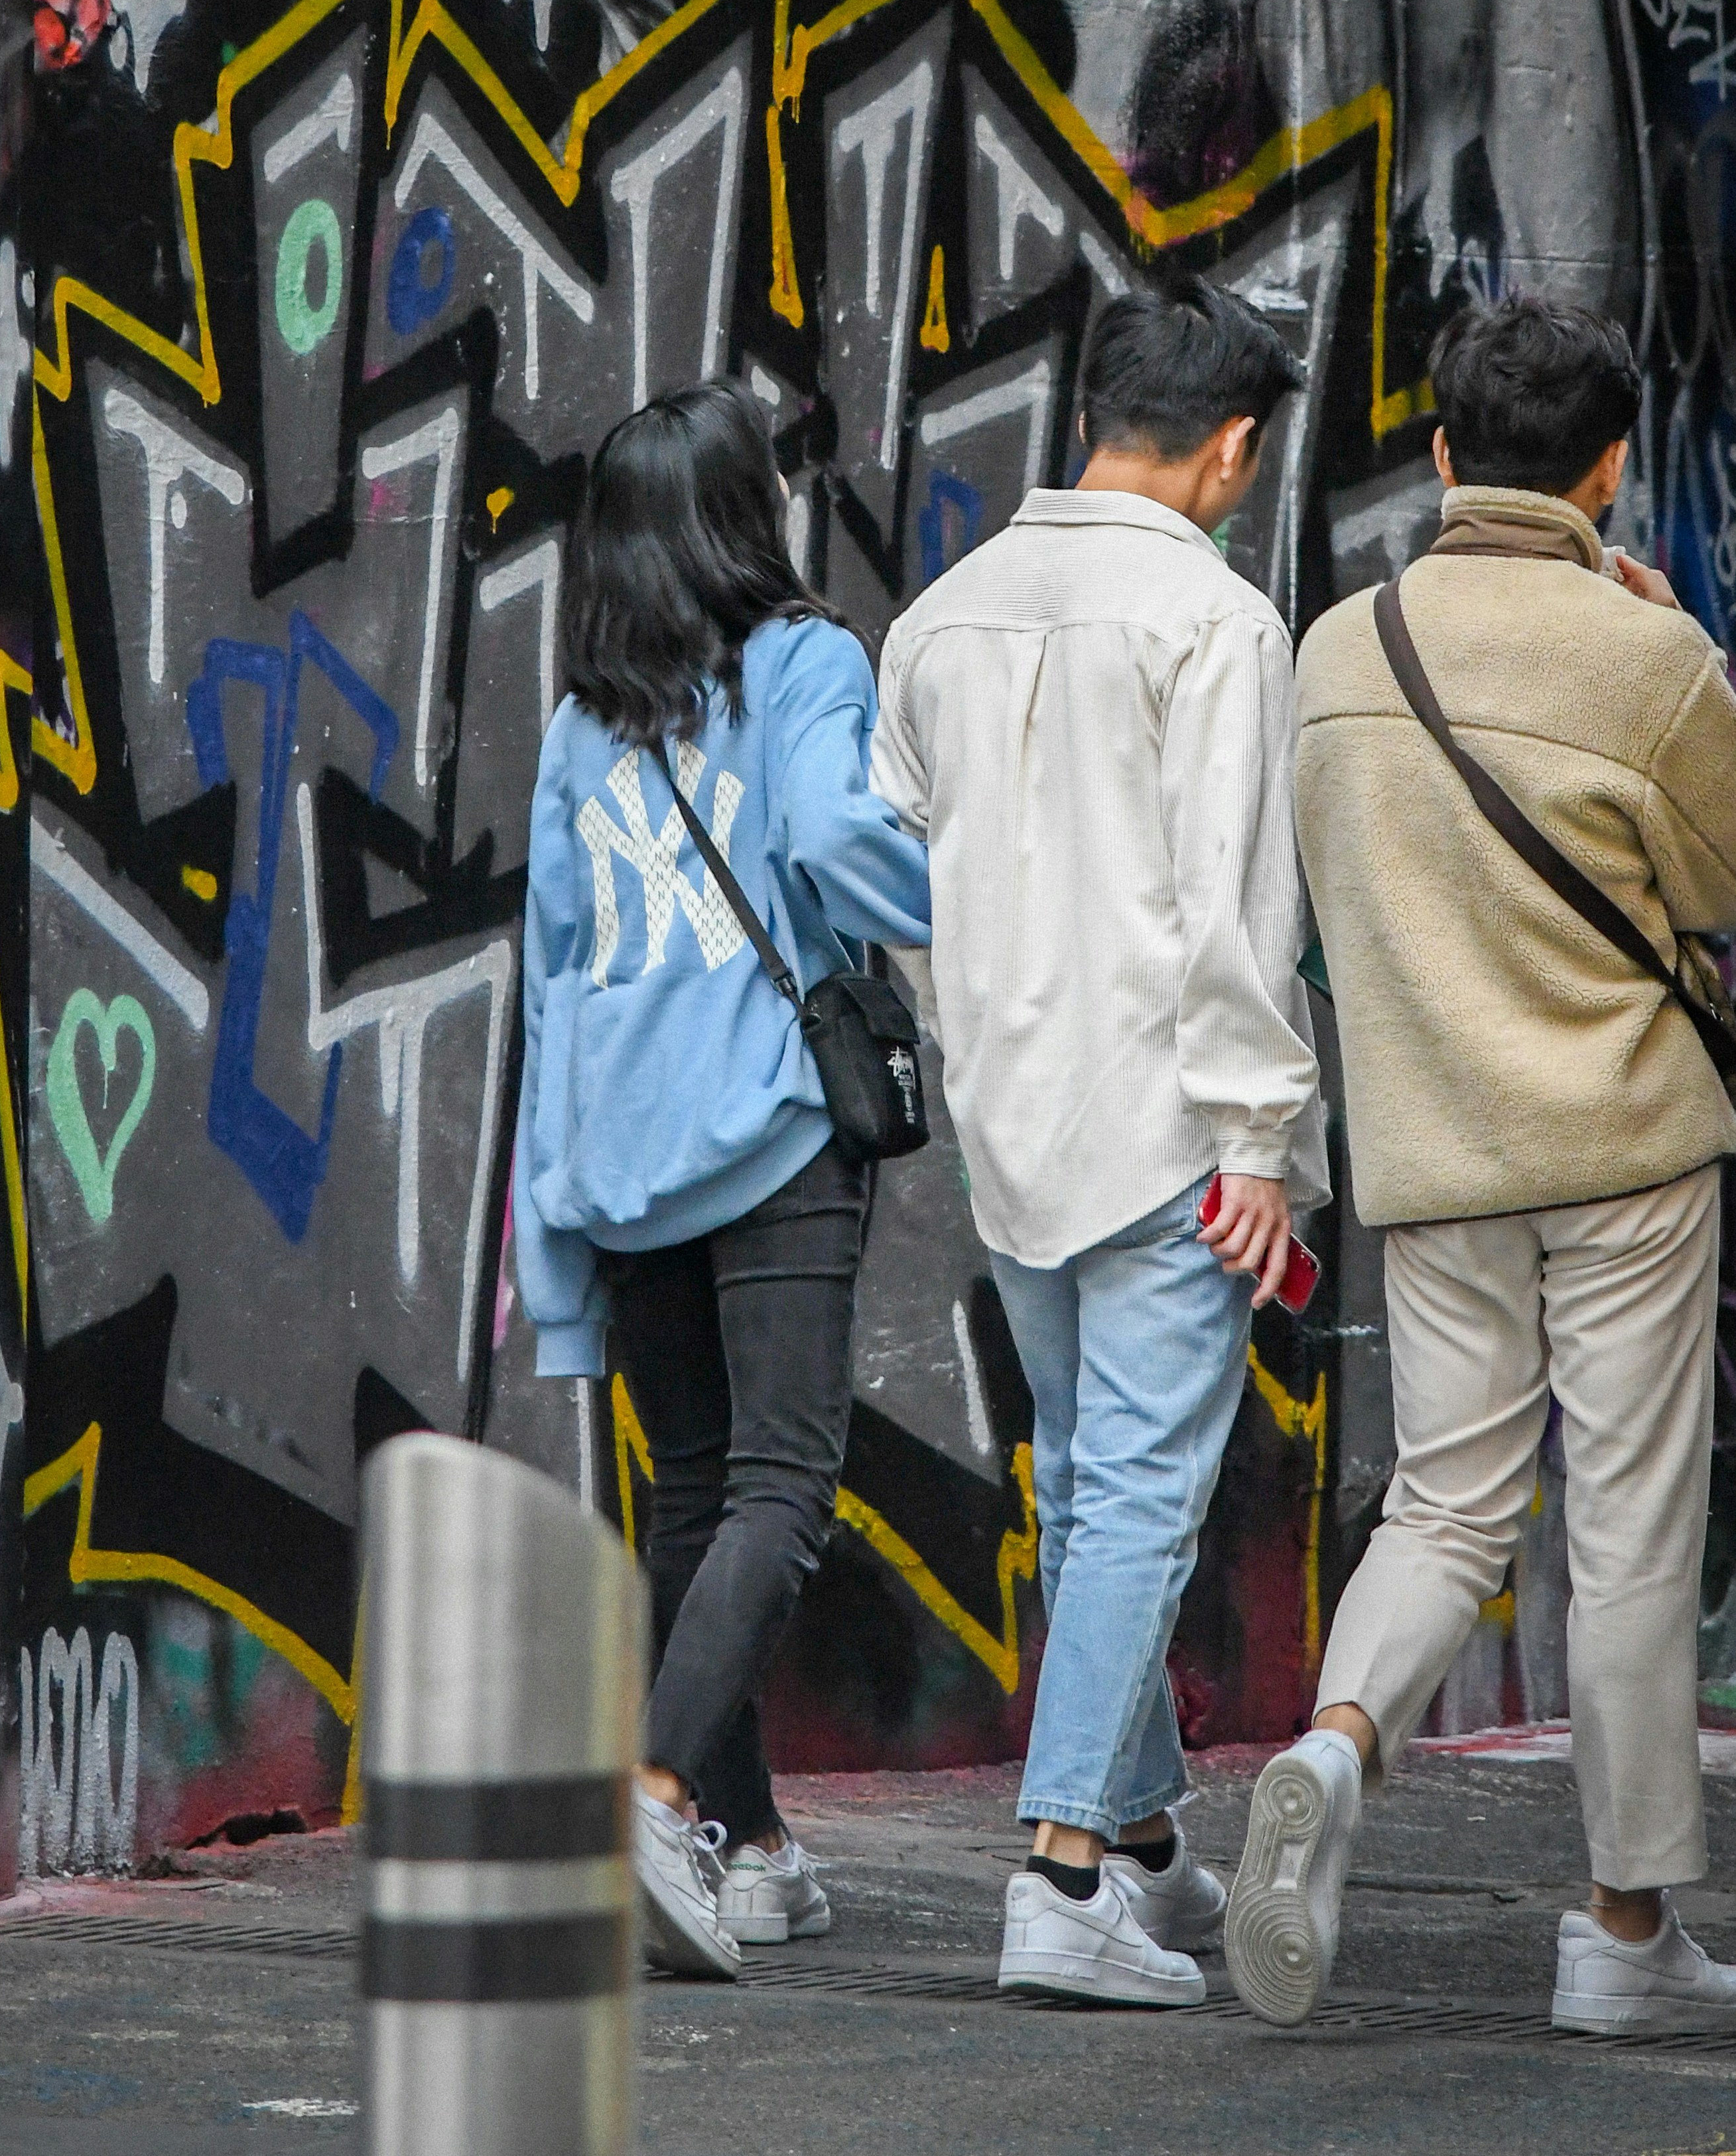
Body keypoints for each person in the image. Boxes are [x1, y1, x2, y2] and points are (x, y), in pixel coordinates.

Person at [1226, 297, 1736, 2035]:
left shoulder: (1335, 651)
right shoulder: (1646, 662)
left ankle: (1335, 1738)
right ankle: (1616, 1929)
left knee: (1448, 1499)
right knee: (1628, 1521)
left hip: (1436, 1148)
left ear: (1443, 454)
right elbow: (1722, 882)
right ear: (1608, 468)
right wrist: (1685, 654)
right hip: (1624, 1145)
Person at [870, 276, 1328, 2006]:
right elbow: (1235, 909)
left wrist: (969, 1027)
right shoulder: (1218, 621)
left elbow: (904, 882)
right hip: (1170, 1125)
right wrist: (1260, 1135)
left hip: (1016, 1118)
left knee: (1083, 1474)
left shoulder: (941, 614)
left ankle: (1138, 1839)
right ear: (1231, 447)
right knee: (1133, 1482)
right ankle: (1059, 1867)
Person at [512, 379, 932, 1980]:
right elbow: (834, 834)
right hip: (765, 1137)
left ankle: (747, 1849)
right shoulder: (807, 660)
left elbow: (551, 975)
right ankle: (654, 1789)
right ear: (742, 515)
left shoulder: (577, 722)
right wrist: (961, 880)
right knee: (781, 1485)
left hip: (617, 1156)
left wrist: (554, 1246)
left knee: (697, 1491)